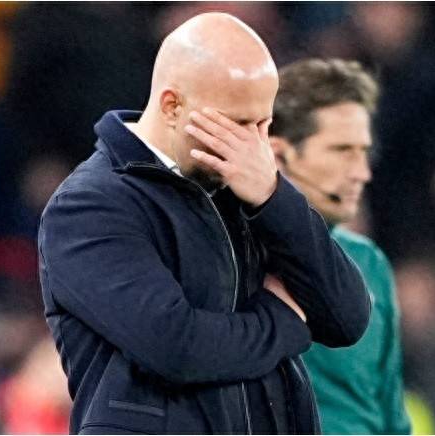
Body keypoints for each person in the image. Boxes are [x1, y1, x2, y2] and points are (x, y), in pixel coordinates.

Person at [38, 13, 371, 435]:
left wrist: (276, 198)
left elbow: (346, 316)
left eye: (264, 123)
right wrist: (283, 320)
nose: (256, 144)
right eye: (238, 124)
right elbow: (175, 347)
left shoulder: (251, 188)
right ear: (172, 106)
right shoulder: (89, 206)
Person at [269, 58, 411, 434]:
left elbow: (391, 411)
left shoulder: (369, 262)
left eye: (364, 152)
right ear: (279, 154)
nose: (362, 173)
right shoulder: (233, 254)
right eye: (342, 150)